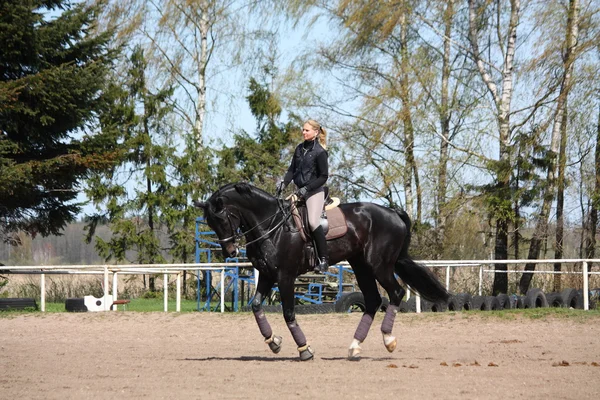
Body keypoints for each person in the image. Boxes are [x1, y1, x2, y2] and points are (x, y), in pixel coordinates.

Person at [276, 120, 329, 273]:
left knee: (313, 222)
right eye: (303, 130)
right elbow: (291, 170)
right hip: (299, 191)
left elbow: (323, 176)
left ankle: (323, 259)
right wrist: (283, 184)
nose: (304, 132)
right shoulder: (299, 149)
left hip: (314, 191)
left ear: (316, 132)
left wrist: (307, 189)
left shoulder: (320, 152)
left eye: (307, 130)